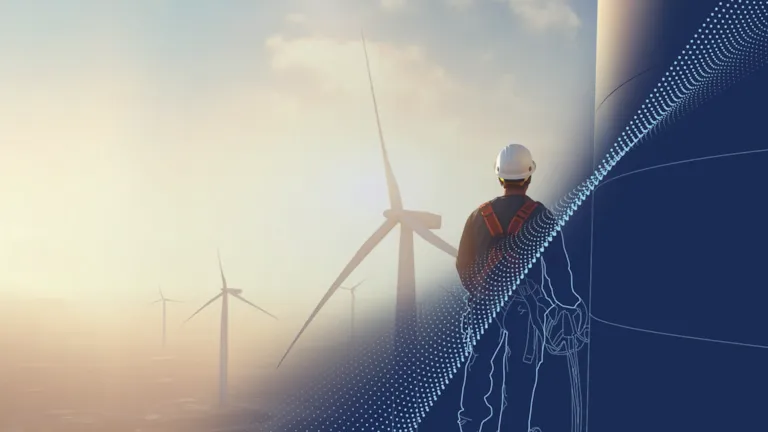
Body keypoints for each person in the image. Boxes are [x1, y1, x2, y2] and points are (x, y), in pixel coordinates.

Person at [454, 143, 589, 432]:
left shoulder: (478, 216)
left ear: (499, 177)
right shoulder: (540, 216)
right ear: (528, 177)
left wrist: (479, 293)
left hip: (483, 306)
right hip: (524, 309)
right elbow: (557, 268)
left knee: (478, 366)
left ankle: (468, 425)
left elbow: (462, 265)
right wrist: (569, 302)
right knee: (519, 375)